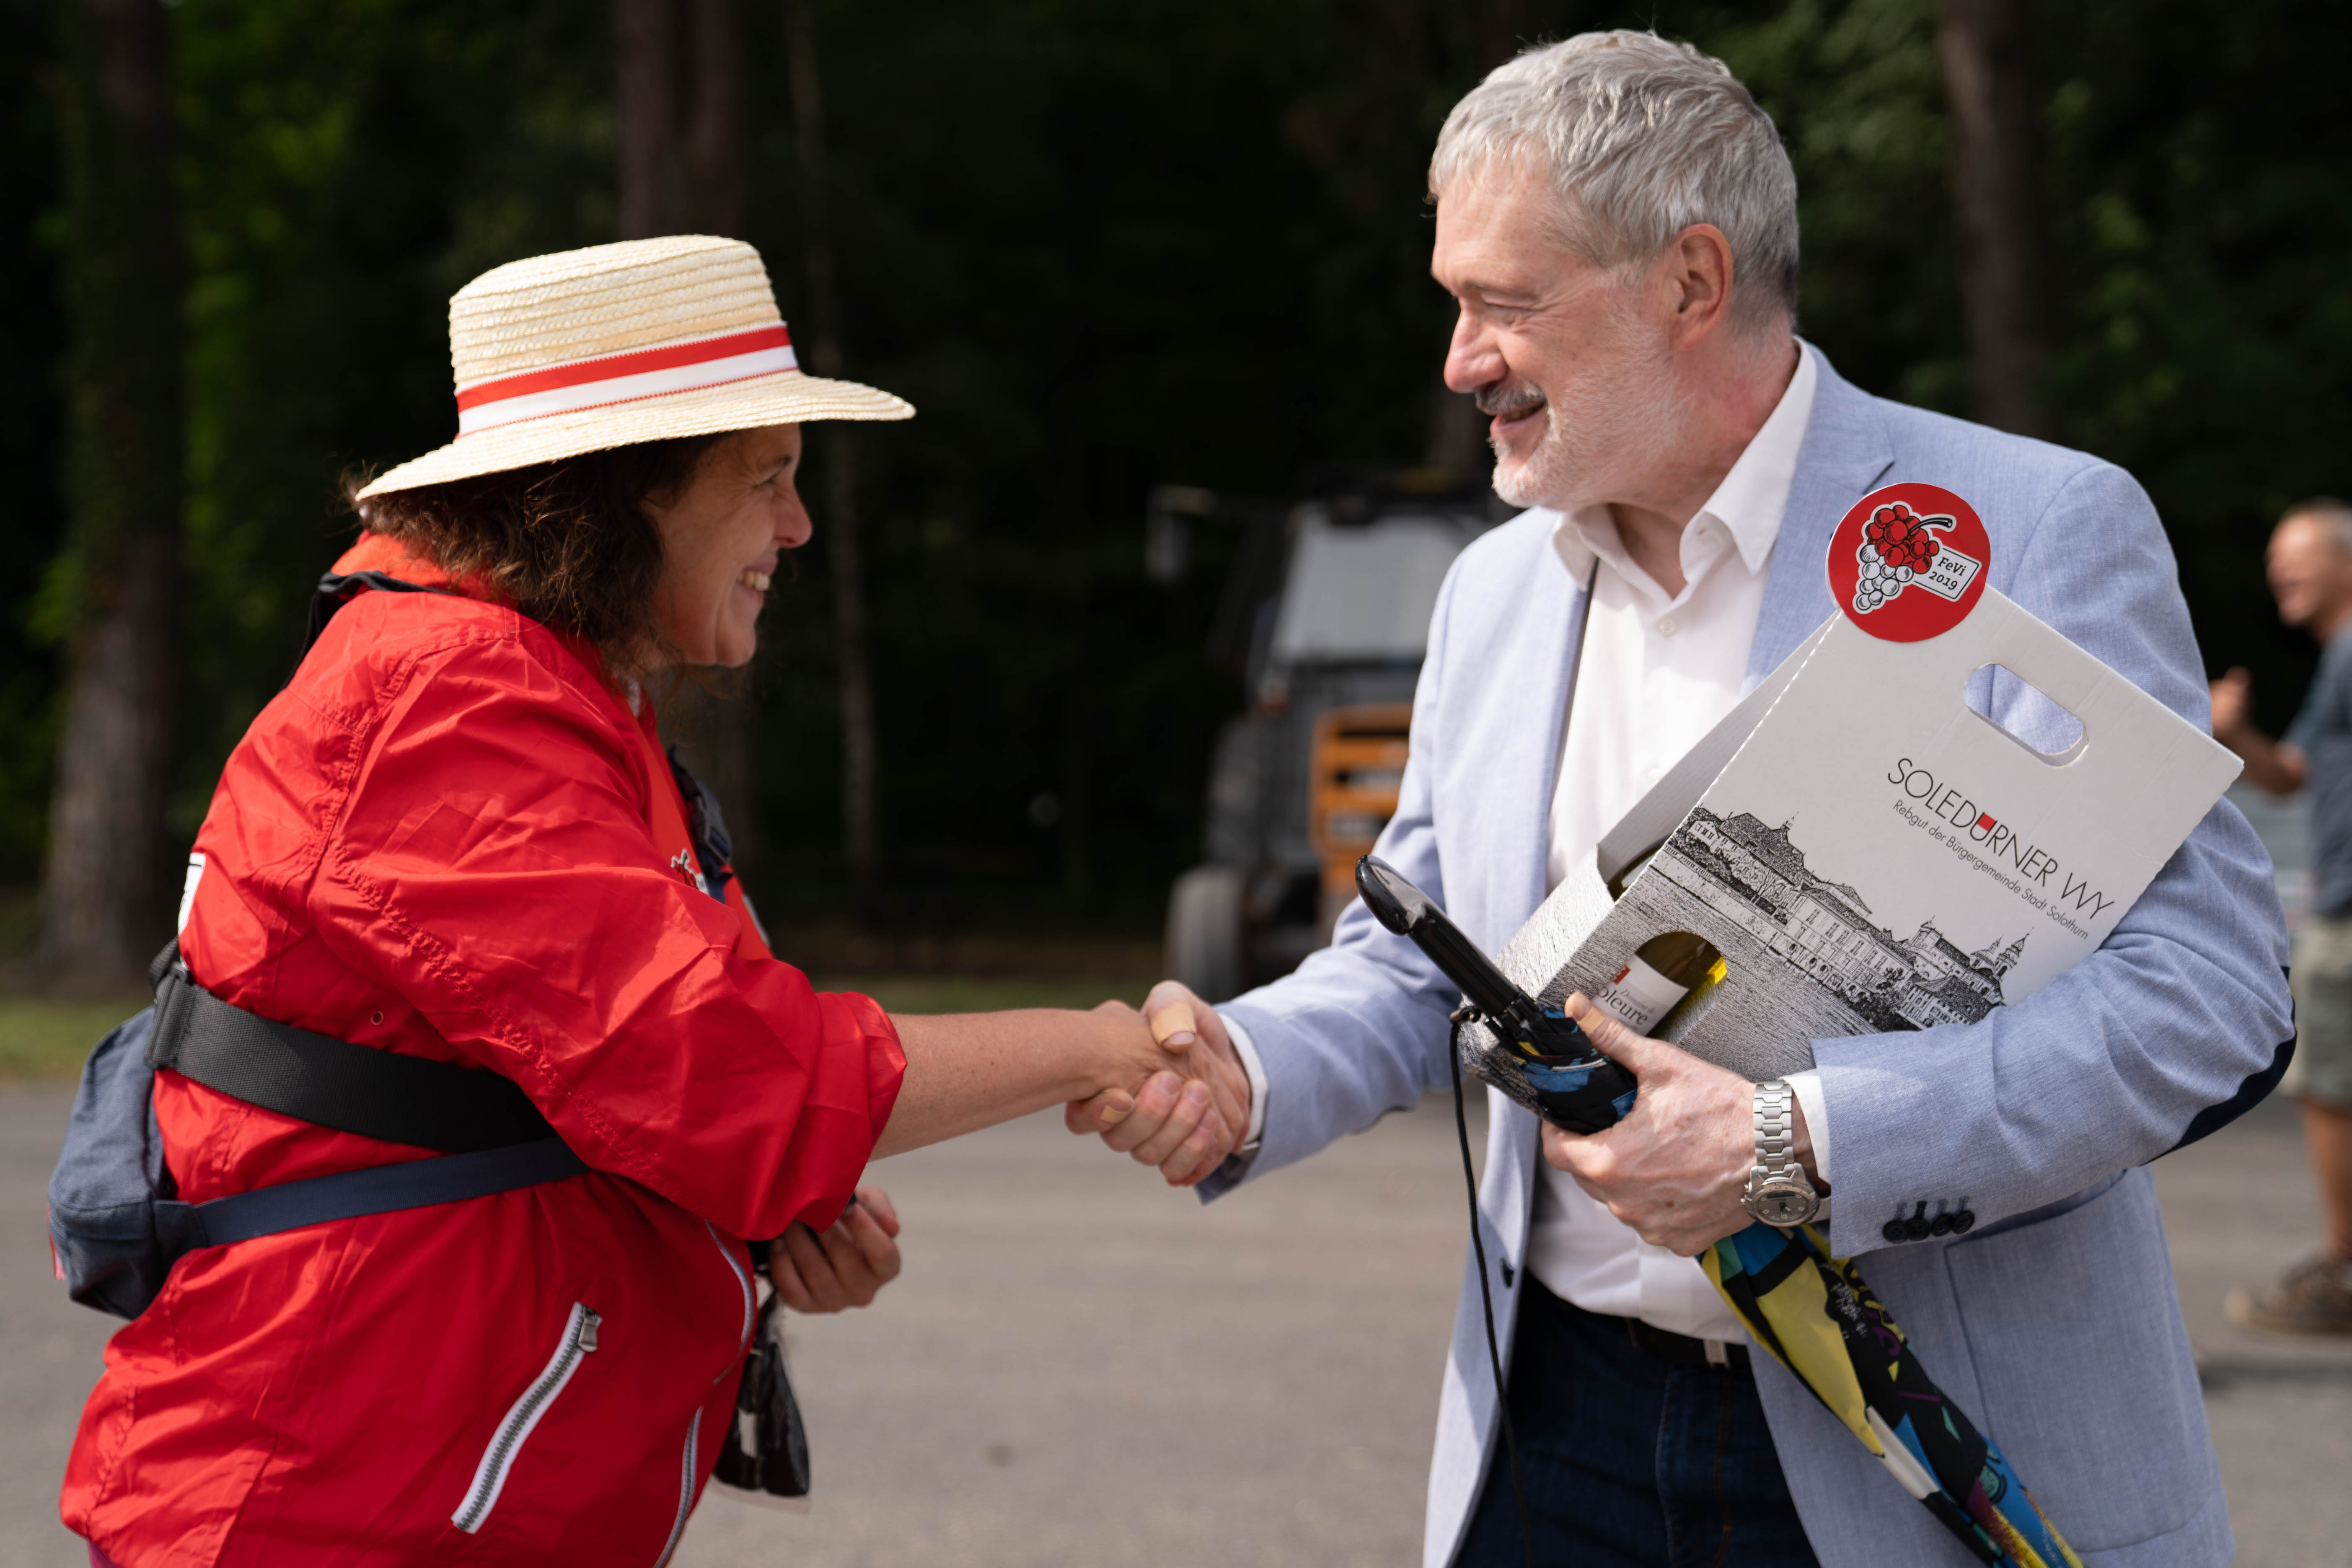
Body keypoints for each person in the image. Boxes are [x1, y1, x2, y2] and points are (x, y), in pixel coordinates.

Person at [1079, 31, 2293, 1568]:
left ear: (1690, 282)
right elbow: (1432, 960)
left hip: (1912, 1447)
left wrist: (1807, 1141)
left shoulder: (2024, 528)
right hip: (1562, 1421)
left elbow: (2212, 993)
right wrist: (1250, 1068)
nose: (1459, 361)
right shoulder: (1493, 590)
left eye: (1502, 304)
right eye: (1454, 304)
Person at [62, 235, 1242, 1567]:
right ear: (623, 495)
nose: (796, 527)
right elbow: (743, 1078)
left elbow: (619, 1084)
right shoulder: (447, 704)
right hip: (330, 1512)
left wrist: (757, 1218)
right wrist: (1095, 1042)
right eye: (768, 479)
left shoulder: (546, 690)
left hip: (419, 1497)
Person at [2208, 498, 2352, 1336]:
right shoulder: (2335, 659)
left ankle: (2343, 1268)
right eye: (2271, 564)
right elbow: (2289, 776)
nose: (2277, 576)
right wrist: (2235, 734)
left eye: (2293, 558)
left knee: (2328, 1086)